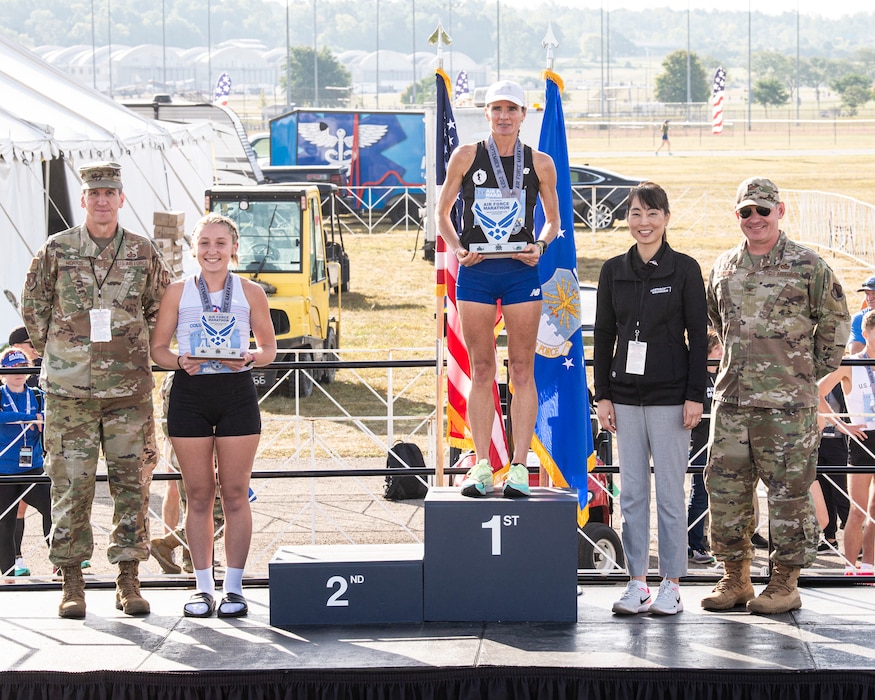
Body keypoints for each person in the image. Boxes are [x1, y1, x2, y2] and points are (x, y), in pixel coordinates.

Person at [21, 161, 170, 618]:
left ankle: (129, 578)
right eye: (94, 194)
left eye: (110, 193)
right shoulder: (57, 249)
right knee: (71, 486)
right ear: (83, 200)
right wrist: (63, 354)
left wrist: (133, 349)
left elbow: (160, 308)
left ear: (122, 199)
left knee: (132, 485)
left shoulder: (143, 252)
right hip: (69, 394)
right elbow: (33, 304)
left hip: (128, 392)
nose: (102, 200)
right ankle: (72, 580)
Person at [702, 176, 850, 615]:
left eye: (763, 211)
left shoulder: (809, 266)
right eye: (746, 212)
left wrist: (801, 375)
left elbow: (835, 327)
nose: (754, 219)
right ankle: (736, 578)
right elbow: (717, 320)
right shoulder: (724, 266)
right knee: (725, 491)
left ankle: (785, 582)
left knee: (788, 494)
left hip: (787, 406)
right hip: (731, 402)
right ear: (738, 216)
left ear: (779, 212)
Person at [436, 79, 559, 499]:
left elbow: (554, 222)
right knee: (482, 368)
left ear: (524, 115)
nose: (504, 116)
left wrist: (539, 246)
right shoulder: (466, 156)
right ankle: (483, 465)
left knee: (522, 368)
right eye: (497, 108)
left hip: (521, 273)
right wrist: (457, 248)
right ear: (486, 113)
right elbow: (442, 215)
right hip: (478, 273)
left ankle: (521, 467)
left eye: (512, 109)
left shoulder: (540, 162)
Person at [150, 213, 276, 618]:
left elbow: (269, 351)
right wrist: (179, 360)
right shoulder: (177, 291)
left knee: (236, 494)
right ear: (194, 248)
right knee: (199, 495)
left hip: (237, 393)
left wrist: (251, 358)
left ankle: (235, 588)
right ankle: (202, 587)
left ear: (234, 248)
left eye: (220, 243)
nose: (212, 251)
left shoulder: (252, 291)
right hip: (191, 394)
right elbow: (158, 350)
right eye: (204, 243)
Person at [593, 181, 708, 616]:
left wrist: (694, 396)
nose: (644, 223)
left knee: (670, 495)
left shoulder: (684, 269)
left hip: (672, 399)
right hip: (624, 398)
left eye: (652, 214)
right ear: (627, 219)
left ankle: (672, 584)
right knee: (633, 494)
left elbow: (698, 337)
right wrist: (603, 394)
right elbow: (604, 336)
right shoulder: (612, 270)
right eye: (636, 214)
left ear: (666, 218)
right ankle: (637, 581)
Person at [817, 310, 875, 575]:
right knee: (858, 510)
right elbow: (817, 392)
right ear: (865, 333)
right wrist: (842, 425)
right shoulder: (849, 364)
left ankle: (868, 566)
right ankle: (849, 568)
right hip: (863, 440)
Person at [0, 349, 52, 579]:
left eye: (22, 365)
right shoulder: (1, 395)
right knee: (5, 523)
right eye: (11, 368)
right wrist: (25, 417)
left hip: (34, 466)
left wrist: (41, 418)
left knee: (53, 509)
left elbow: (49, 414)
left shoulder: (38, 394)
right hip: (5, 468)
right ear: (3, 372)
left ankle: (62, 564)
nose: (18, 372)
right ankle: (8, 572)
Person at [688, 329, 722, 565]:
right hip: (699, 444)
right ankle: (694, 544)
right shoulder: (697, 378)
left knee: (719, 495)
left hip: (719, 445)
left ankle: (715, 544)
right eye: (718, 349)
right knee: (699, 493)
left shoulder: (722, 377)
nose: (722, 353)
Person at [814, 383, 850, 552]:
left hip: (837, 443)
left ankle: (855, 539)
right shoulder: (811, 379)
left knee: (840, 491)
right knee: (823, 492)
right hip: (816, 442)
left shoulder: (840, 382)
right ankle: (829, 539)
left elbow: (848, 409)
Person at [846, 275, 875, 354]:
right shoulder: (859, 319)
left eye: (874, 293)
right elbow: (855, 351)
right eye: (867, 294)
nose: (870, 298)